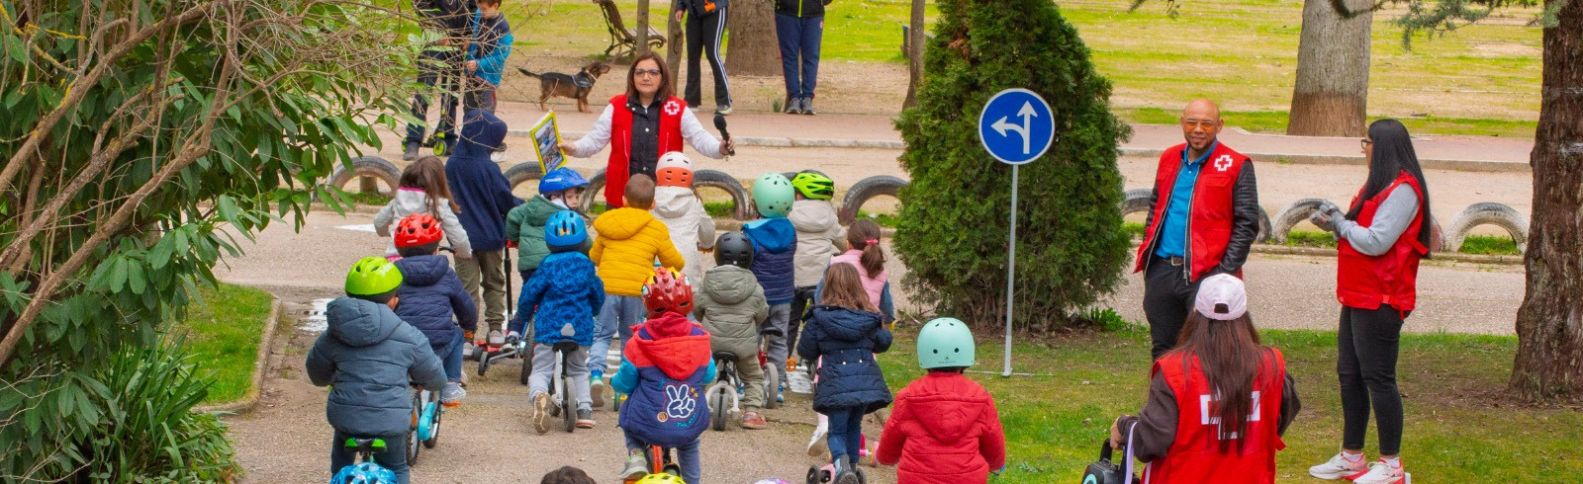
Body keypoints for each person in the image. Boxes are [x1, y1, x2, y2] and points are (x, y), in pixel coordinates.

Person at [1305, 119, 1432, 484]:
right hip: (1357, 293)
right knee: (1349, 374)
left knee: (1379, 377)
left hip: (1382, 297)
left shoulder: (1404, 190)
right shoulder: (1378, 185)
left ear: (1382, 147)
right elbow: (1360, 232)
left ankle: (1391, 465)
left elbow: (1378, 241)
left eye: (1368, 142)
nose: (1364, 148)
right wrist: (1338, 221)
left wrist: (1340, 225)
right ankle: (1352, 456)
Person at [1109, 274, 1300, 484]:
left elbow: (1151, 443)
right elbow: (1279, 417)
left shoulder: (1174, 371)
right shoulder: (1271, 365)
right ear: (1244, 316)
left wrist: (1125, 426)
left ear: (1196, 314)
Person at [1134, 99, 1260, 360]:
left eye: (1207, 123)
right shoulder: (1170, 157)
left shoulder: (1236, 164)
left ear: (1220, 125)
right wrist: (1150, 258)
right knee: (1164, 348)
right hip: (1163, 270)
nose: (1198, 129)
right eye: (1192, 122)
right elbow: (1156, 207)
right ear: (1182, 122)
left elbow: (1247, 224)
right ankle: (1165, 401)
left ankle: (1204, 402)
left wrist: (1222, 274)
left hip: (1208, 274)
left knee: (1207, 350)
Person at [307, 257, 446, 484]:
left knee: (341, 462)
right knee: (397, 467)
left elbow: (317, 375)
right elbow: (436, 378)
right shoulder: (409, 335)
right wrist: (421, 383)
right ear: (392, 301)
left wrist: (333, 378)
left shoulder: (333, 334)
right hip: (389, 422)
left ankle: (338, 476)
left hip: (346, 419)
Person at [560, 53, 734, 209]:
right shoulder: (616, 106)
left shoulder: (677, 108)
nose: (646, 77)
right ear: (632, 77)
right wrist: (574, 148)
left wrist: (720, 148)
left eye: (653, 72)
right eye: (640, 72)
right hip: (621, 198)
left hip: (663, 199)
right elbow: (593, 141)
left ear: (663, 77)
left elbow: (700, 138)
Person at [588, 174, 687, 407]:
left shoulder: (607, 222)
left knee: (601, 334)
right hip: (636, 290)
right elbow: (675, 262)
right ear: (653, 204)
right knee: (630, 337)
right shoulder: (656, 228)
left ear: (623, 200)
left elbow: (594, 256)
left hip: (607, 287)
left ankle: (594, 376)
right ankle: (623, 391)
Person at [613, 267, 715, 483]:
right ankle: (693, 481)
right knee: (690, 444)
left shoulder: (640, 341)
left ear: (647, 304)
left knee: (628, 418)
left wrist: (617, 384)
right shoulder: (700, 339)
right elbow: (708, 376)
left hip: (648, 422)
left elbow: (627, 381)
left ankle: (637, 456)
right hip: (689, 420)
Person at [876, 318, 1006, 484]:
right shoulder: (980, 397)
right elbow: (994, 443)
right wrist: (995, 464)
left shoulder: (908, 397)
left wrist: (886, 458)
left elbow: (891, 439)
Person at [797, 263, 893, 484]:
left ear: (828, 286)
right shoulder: (869, 317)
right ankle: (852, 469)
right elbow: (883, 343)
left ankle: (842, 467)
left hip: (835, 381)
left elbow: (806, 350)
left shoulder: (819, 318)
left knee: (837, 430)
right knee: (853, 426)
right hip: (863, 381)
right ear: (857, 286)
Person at [518, 210, 605, 432]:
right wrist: (593, 310)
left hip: (550, 325)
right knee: (578, 369)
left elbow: (531, 292)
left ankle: (539, 396)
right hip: (580, 325)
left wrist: (524, 313)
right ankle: (584, 410)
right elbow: (597, 292)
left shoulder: (547, 265)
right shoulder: (586, 266)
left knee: (541, 369)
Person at [445, 110, 522, 345]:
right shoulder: (489, 169)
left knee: (467, 287)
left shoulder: (452, 164)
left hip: (461, 238)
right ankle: (496, 327)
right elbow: (505, 200)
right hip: (490, 237)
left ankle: (467, 332)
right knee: (494, 282)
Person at [391, 214, 478, 405]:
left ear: (399, 250)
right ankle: (450, 387)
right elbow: (465, 306)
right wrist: (469, 327)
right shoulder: (446, 273)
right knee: (456, 332)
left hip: (402, 344)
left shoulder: (393, 273)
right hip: (437, 344)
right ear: (437, 248)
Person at [693, 232, 771, 429]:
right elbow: (761, 314)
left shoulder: (707, 283)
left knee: (703, 370)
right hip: (743, 344)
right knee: (753, 375)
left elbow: (698, 309)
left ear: (718, 255)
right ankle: (751, 412)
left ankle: (695, 405)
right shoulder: (755, 288)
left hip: (711, 341)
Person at [505, 167, 592, 340]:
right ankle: (567, 329)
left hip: (530, 267)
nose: (575, 201)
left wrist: (514, 238)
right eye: (570, 197)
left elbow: (513, 217)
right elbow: (586, 243)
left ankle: (514, 332)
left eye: (576, 197)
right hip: (558, 268)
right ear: (554, 197)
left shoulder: (530, 207)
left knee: (528, 297)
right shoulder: (569, 218)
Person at [744, 172, 798, 396]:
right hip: (784, 297)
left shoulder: (750, 232)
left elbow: (746, 261)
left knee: (751, 339)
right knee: (779, 340)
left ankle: (748, 381)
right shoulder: (791, 231)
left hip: (757, 297)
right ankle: (777, 385)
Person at [404, 0, 470, 160]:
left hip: (457, 44)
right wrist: (439, 30)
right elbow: (420, 5)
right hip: (433, 44)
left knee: (451, 93)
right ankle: (413, 139)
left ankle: (447, 135)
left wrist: (469, 34)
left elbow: (474, 9)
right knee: (424, 91)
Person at [374, 156, 471, 261]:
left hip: (396, 259)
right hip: (426, 261)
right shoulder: (438, 204)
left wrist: (392, 232)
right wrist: (465, 253)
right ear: (440, 181)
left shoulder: (398, 200)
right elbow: (458, 236)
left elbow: (379, 223)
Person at [651, 152, 717, 284]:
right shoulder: (694, 201)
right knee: (689, 298)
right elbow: (707, 228)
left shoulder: (650, 200)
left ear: (658, 174)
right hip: (686, 269)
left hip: (655, 265)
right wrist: (707, 244)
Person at [673, 0, 733, 114]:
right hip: (694, 12)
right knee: (693, 55)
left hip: (715, 10)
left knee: (712, 54)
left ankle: (724, 101)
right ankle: (691, 101)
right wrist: (680, 7)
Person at [774, 0, 828, 115]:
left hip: (814, 14)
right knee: (790, 56)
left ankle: (807, 98)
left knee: (811, 56)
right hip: (787, 13)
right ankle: (794, 98)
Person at [463, 0, 512, 114]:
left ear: (495, 6)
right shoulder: (478, 16)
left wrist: (478, 64)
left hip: (487, 81)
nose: (481, 11)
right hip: (472, 77)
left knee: (484, 116)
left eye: (484, 9)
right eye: (479, 8)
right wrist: (468, 44)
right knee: (468, 112)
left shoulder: (503, 28)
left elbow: (500, 57)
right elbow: (475, 38)